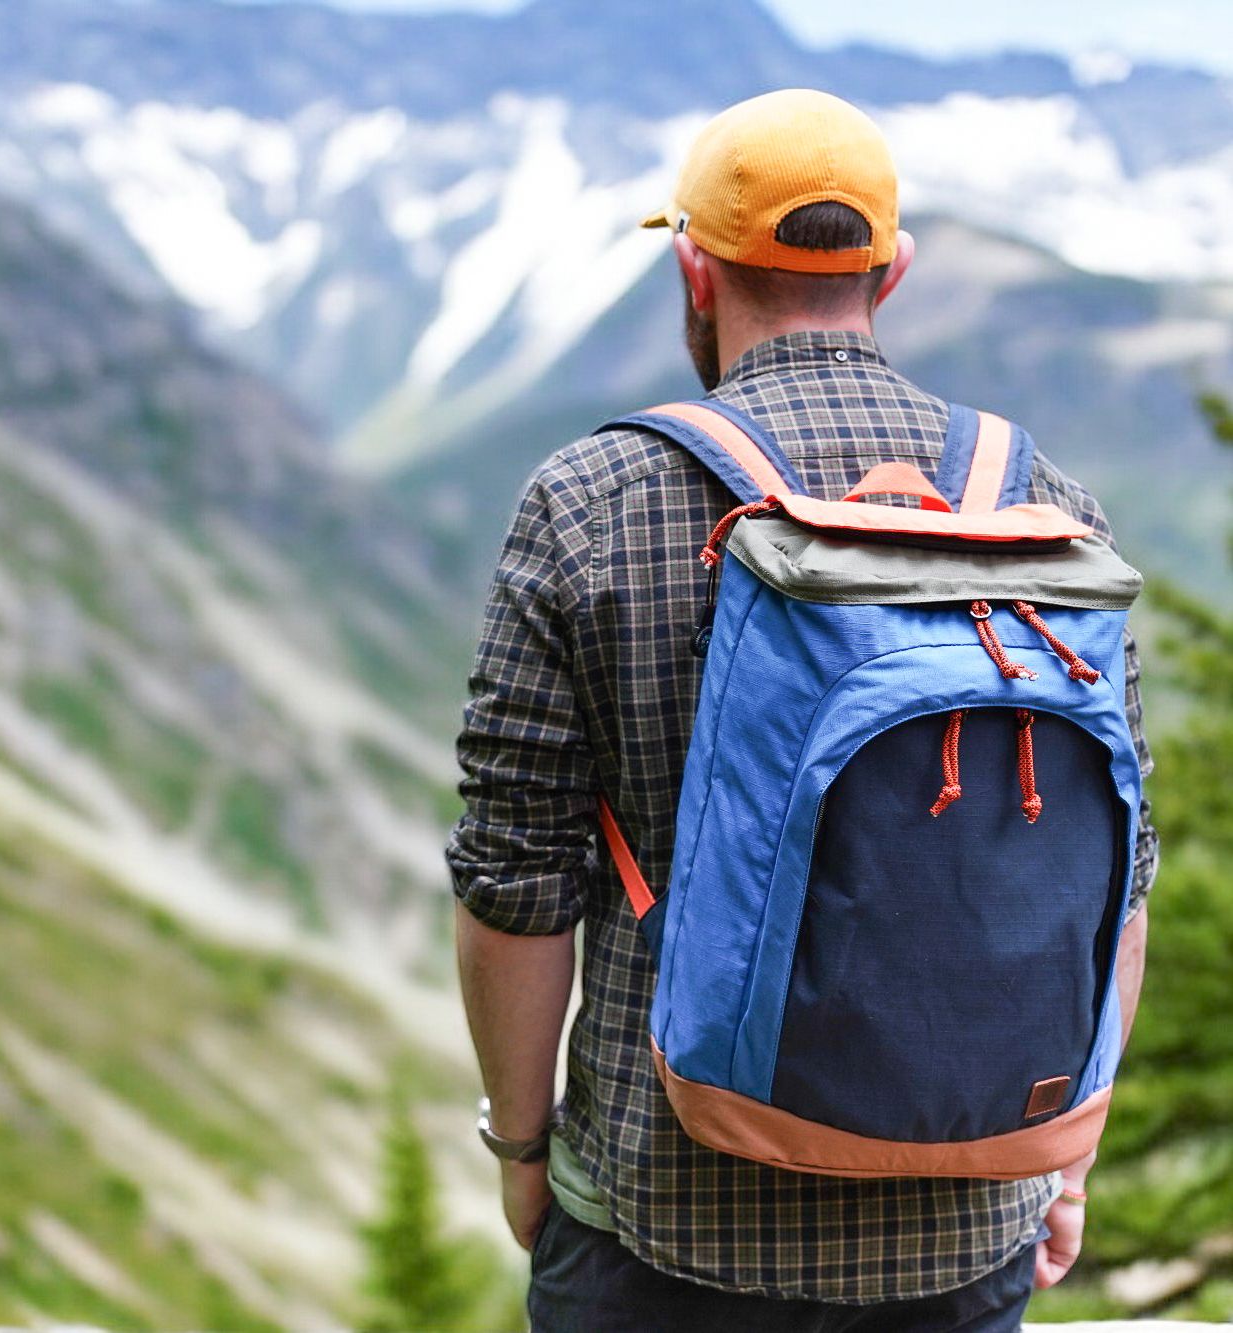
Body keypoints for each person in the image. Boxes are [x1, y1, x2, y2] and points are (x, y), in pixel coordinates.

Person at [447, 88, 1156, 1332]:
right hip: (965, 1212)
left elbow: (515, 884)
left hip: (662, 1210)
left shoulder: (593, 498)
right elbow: (1117, 869)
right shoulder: (1042, 503)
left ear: (694, 268)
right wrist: (1062, 1158)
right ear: (894, 270)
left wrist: (520, 1148)